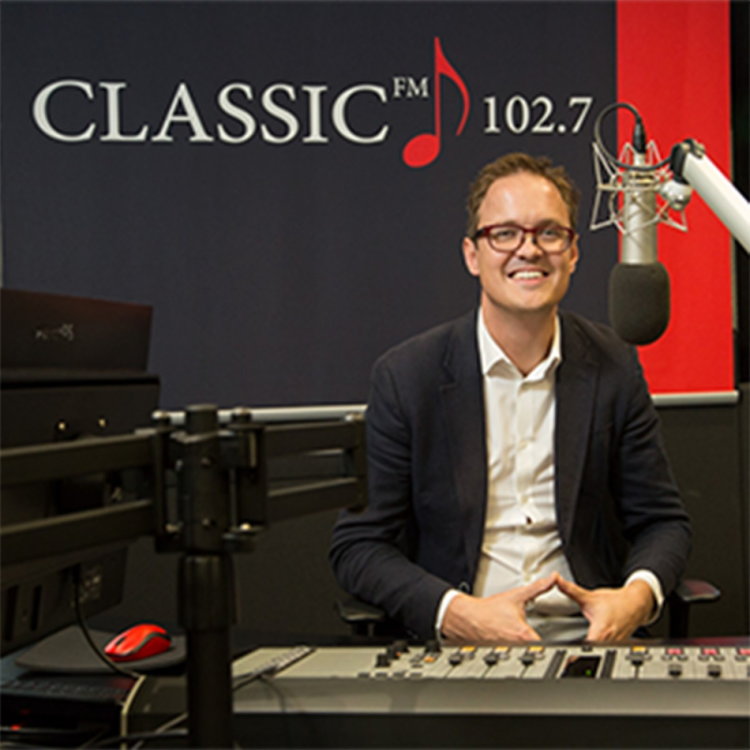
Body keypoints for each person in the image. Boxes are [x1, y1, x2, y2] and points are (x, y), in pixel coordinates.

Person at [330, 153, 691, 643]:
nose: (529, 250)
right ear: (472, 255)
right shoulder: (407, 377)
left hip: (590, 644)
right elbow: (358, 546)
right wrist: (455, 612)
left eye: (549, 233)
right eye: (504, 234)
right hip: (460, 649)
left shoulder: (614, 366)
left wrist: (636, 597)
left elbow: (663, 523)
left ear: (573, 252)